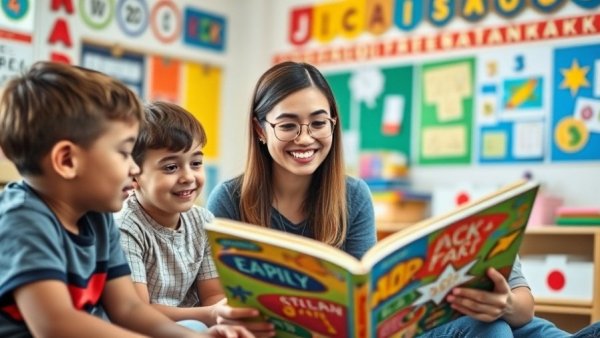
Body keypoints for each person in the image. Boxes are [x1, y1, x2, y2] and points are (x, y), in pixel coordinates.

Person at [0, 61, 252, 338]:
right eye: (123, 153)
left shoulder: (97, 217)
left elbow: (129, 308)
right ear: (67, 160)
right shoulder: (23, 219)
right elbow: (55, 325)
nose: (134, 169)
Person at [115, 101, 274, 337]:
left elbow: (212, 295)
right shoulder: (126, 227)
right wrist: (209, 315)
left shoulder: (202, 221)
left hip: (194, 324)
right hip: (145, 330)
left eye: (196, 163)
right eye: (170, 167)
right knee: (198, 327)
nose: (188, 176)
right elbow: (138, 311)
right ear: (134, 175)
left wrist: (226, 313)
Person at [207, 61, 377, 261]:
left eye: (319, 123)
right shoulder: (229, 200)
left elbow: (362, 285)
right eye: (287, 125)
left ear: (333, 123)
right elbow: (216, 288)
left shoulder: (354, 196)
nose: (305, 139)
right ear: (260, 130)